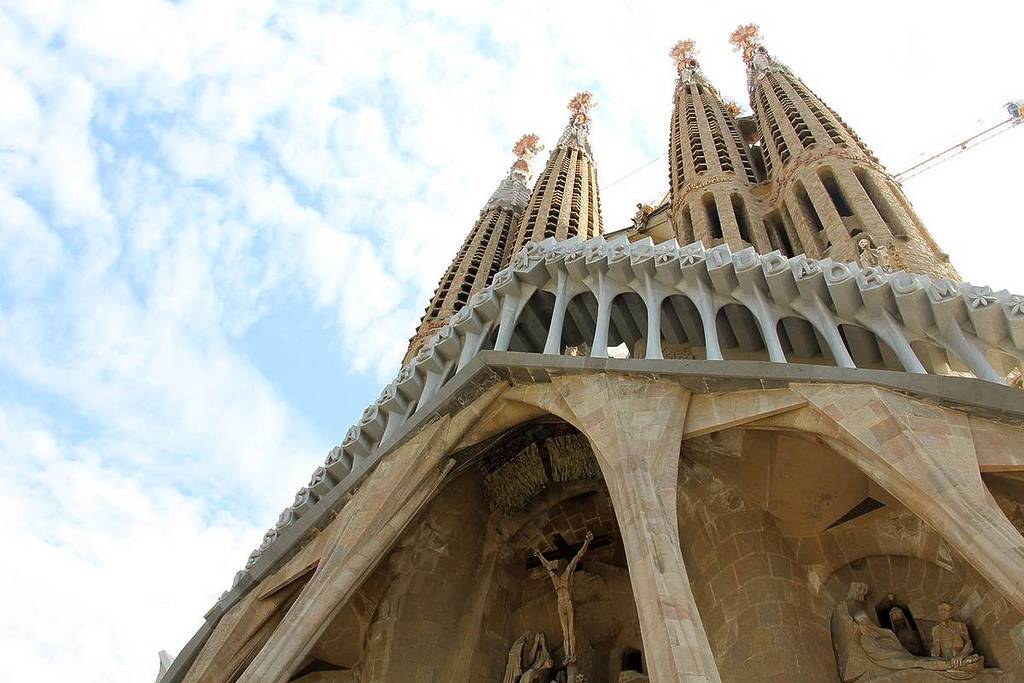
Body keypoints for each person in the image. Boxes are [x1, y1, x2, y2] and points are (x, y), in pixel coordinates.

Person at [536, 531, 594, 664]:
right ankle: (567, 656)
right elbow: (546, 565)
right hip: (560, 604)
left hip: (567, 602)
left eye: (557, 564)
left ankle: (573, 654)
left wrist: (586, 542)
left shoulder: (568, 572)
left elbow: (578, 556)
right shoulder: (555, 578)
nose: (555, 566)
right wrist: (539, 555)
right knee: (565, 633)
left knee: (571, 630)